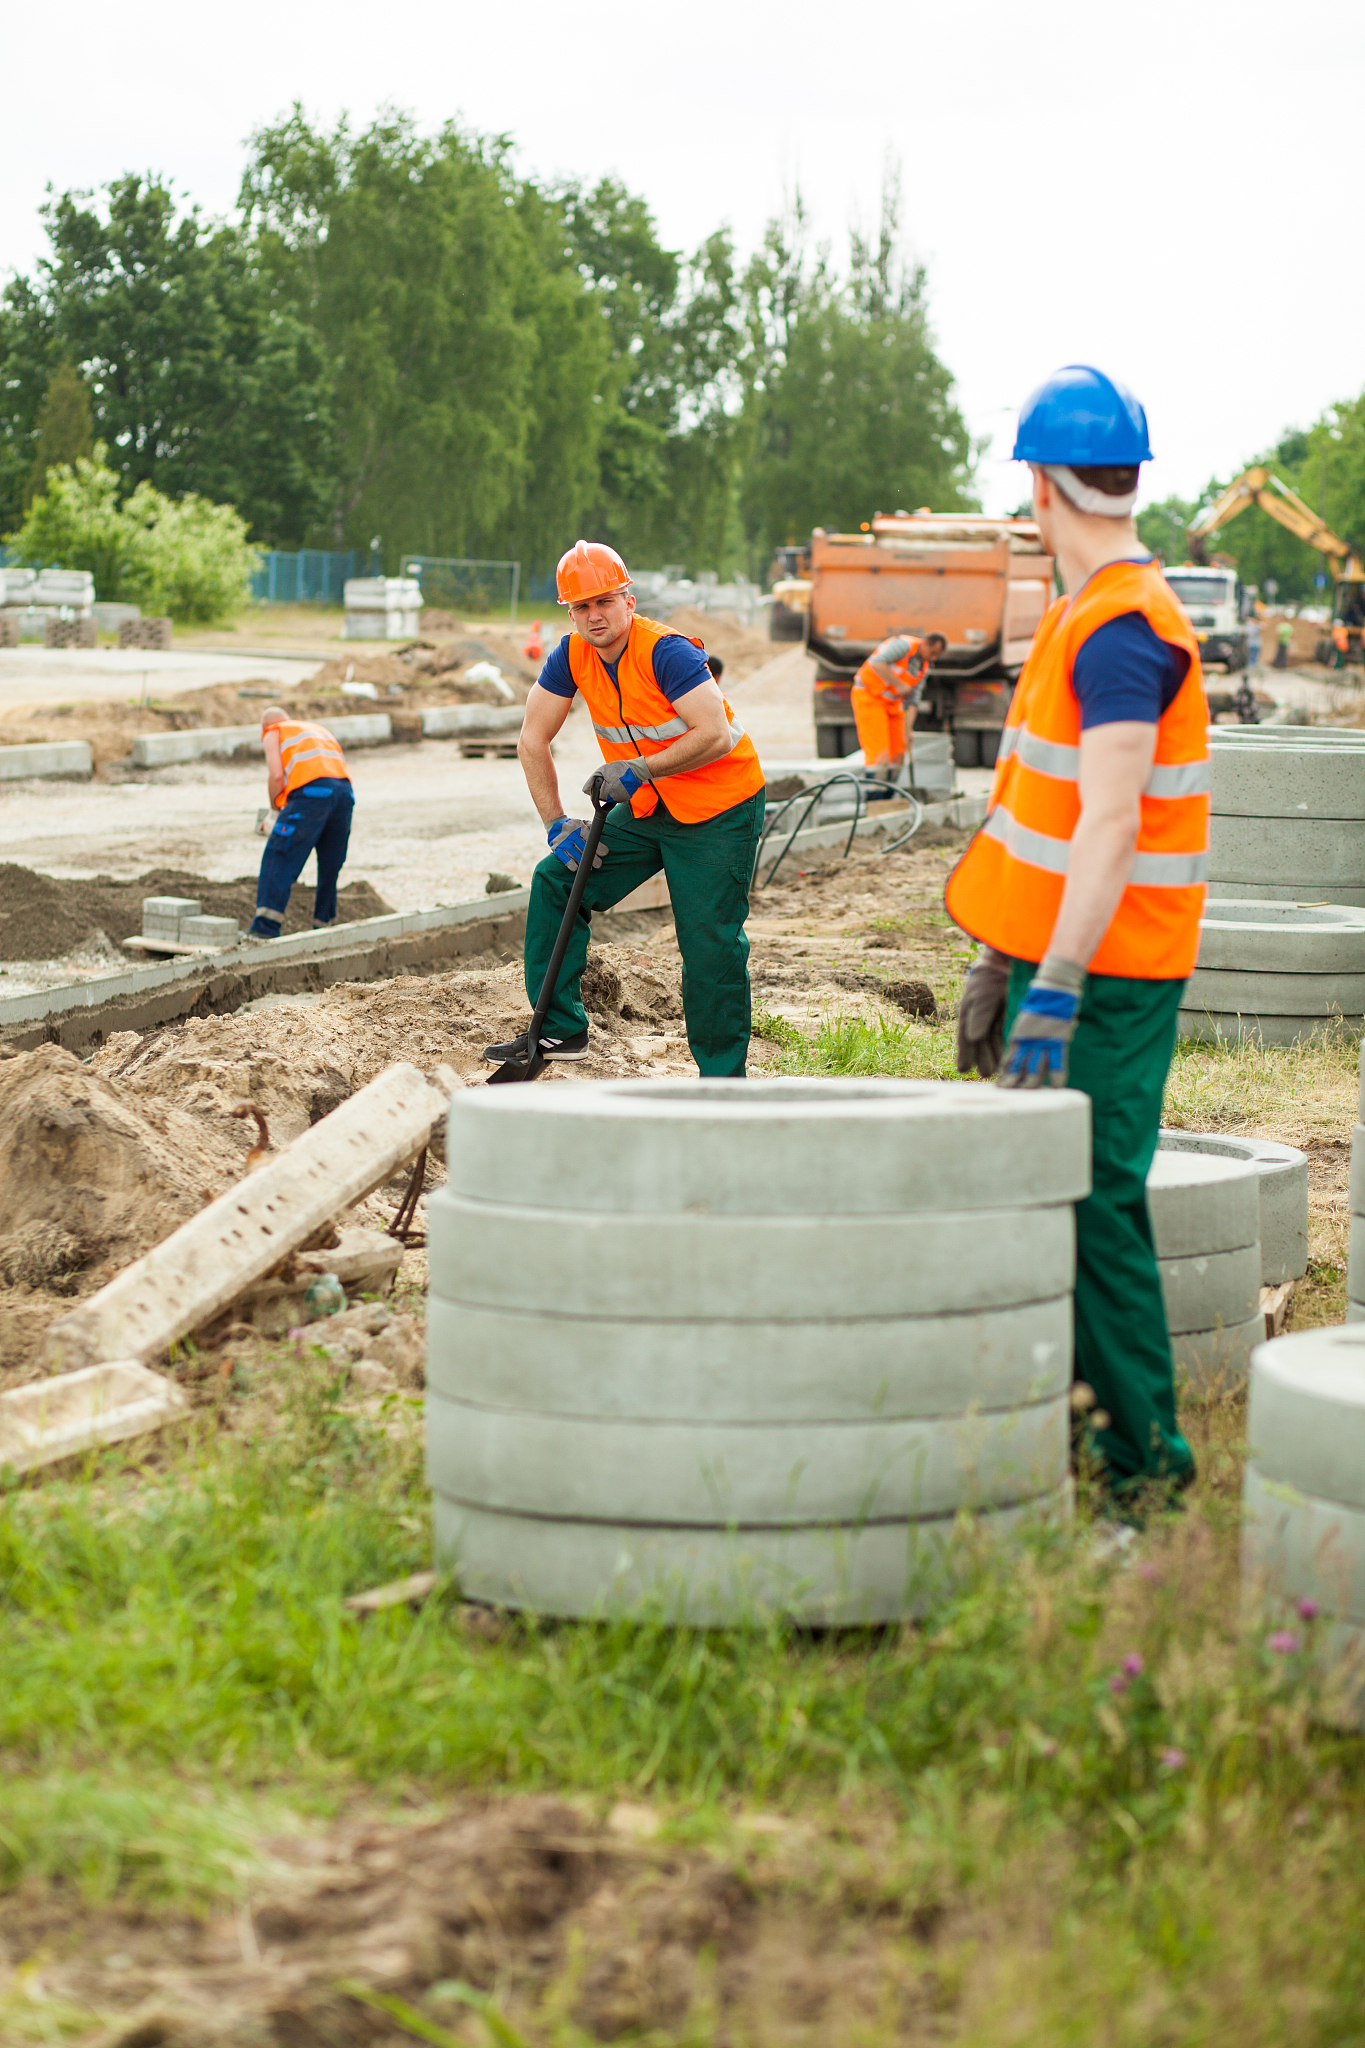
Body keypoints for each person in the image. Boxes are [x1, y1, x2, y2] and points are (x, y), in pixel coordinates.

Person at [945, 364, 1210, 1516]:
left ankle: (1145, 1478)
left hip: (1112, 969)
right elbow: (1042, 819)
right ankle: (1077, 1444)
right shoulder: (1084, 617)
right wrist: (1000, 954)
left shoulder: (1122, 631)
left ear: (1043, 492)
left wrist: (1051, 981)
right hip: (1067, 961)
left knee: (1098, 1200)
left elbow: (1110, 823)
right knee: (1058, 1197)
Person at [484, 540, 766, 1076]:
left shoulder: (668, 652)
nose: (594, 615)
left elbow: (718, 734)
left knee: (709, 947)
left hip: (718, 808)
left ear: (628, 601)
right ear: (570, 612)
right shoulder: (571, 655)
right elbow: (531, 739)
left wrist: (641, 769)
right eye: (581, 606)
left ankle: (723, 1081)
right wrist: (555, 823)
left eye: (604, 601)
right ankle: (559, 1031)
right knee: (556, 880)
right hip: (647, 805)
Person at [248, 709, 355, 940]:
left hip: (311, 793)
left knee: (279, 855)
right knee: (330, 864)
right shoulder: (317, 730)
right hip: (345, 795)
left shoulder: (273, 731)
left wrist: (275, 812)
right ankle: (324, 925)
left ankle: (264, 929)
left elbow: (277, 775)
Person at [849, 631, 947, 777]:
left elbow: (914, 699)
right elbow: (876, 663)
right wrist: (899, 684)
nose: (933, 658)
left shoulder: (924, 666)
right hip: (870, 697)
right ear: (925, 643)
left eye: (936, 656)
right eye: (932, 653)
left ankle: (889, 794)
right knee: (879, 754)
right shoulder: (903, 646)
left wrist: (908, 729)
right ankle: (874, 796)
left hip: (892, 703)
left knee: (898, 754)